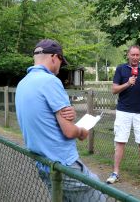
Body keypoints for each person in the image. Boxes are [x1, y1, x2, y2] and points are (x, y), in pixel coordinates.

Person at [15, 39, 105, 202]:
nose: (59, 68)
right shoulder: (50, 81)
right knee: (99, 194)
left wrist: (70, 117)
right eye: (61, 62)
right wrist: (81, 131)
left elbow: (46, 117)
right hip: (63, 162)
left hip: (43, 163)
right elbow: (69, 131)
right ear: (54, 57)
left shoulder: (23, 84)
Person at [106, 45, 140, 184]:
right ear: (128, 55)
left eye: (137, 55)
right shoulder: (121, 69)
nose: (135, 57)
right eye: (132, 55)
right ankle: (115, 172)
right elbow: (114, 89)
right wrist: (127, 83)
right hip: (123, 111)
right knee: (120, 141)